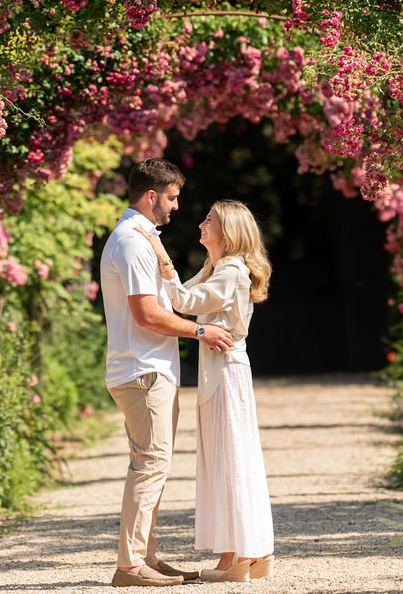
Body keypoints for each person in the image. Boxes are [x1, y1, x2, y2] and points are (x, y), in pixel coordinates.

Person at [100, 158, 236, 588]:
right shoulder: (134, 243)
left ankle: (147, 555)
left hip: (148, 369)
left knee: (152, 465)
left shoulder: (141, 239)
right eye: (173, 198)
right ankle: (129, 566)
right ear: (152, 196)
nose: (177, 207)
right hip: (143, 372)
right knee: (149, 465)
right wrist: (201, 330)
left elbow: (169, 299)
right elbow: (147, 315)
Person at [134, 199, 275, 583]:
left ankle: (242, 555)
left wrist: (160, 255)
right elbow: (178, 296)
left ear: (227, 231)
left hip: (226, 372)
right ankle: (249, 552)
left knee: (230, 458)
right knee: (227, 458)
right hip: (220, 372)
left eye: (208, 220)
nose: (200, 223)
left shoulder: (231, 271)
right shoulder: (217, 268)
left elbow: (182, 302)